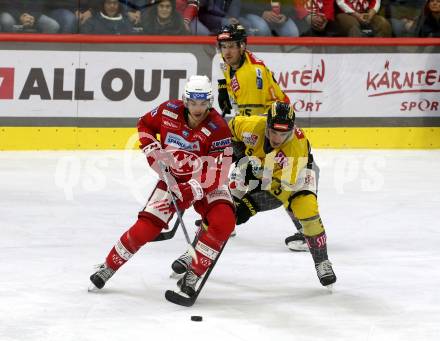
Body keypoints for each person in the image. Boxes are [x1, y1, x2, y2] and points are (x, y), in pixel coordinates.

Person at [89, 75, 236, 298]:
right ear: (186, 101)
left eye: (203, 103)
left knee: (224, 221)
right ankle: (109, 266)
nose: (198, 109)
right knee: (146, 227)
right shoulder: (168, 111)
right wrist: (152, 150)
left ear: (210, 102)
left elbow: (219, 171)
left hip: (207, 183)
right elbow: (145, 124)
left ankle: (194, 273)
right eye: (193, 103)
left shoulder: (218, 128)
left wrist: (193, 189)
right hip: (173, 179)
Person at [173, 102, 337, 288]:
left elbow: (281, 192)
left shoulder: (295, 149)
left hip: (296, 179)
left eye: (283, 134)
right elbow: (228, 130)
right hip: (255, 166)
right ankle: (195, 250)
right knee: (223, 207)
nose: (278, 138)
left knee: (308, 213)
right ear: (266, 125)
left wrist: (249, 206)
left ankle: (322, 261)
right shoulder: (251, 126)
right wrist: (236, 154)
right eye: (274, 132)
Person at [215, 24, 308, 251]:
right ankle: (227, 219)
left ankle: (306, 232)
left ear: (242, 46)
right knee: (240, 173)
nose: (226, 51)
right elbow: (227, 74)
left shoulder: (248, 76)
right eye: (223, 46)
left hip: (274, 129)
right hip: (263, 124)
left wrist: (246, 151)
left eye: (231, 47)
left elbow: (254, 122)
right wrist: (222, 88)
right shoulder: (234, 62)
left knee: (280, 181)